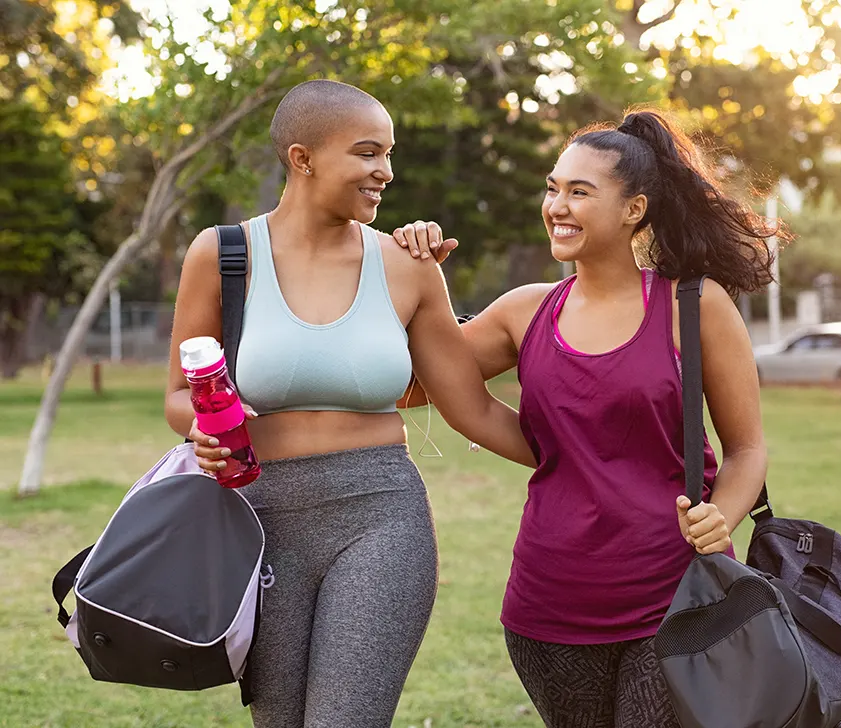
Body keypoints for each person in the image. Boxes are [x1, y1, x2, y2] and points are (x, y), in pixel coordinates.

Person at [164, 79, 536, 728]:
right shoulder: (222, 255)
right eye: (367, 153)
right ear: (302, 158)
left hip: (381, 518)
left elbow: (469, 406)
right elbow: (178, 394)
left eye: (389, 155)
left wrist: (592, 459)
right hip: (259, 521)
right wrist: (204, 428)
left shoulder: (408, 264)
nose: (385, 172)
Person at [394, 107, 781, 727]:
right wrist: (414, 279)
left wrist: (721, 516)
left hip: (676, 595)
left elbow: (747, 451)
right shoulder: (525, 311)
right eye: (552, 188)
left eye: (580, 191)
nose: (557, 206)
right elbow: (410, 387)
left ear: (634, 209)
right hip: (550, 603)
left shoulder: (694, 304)